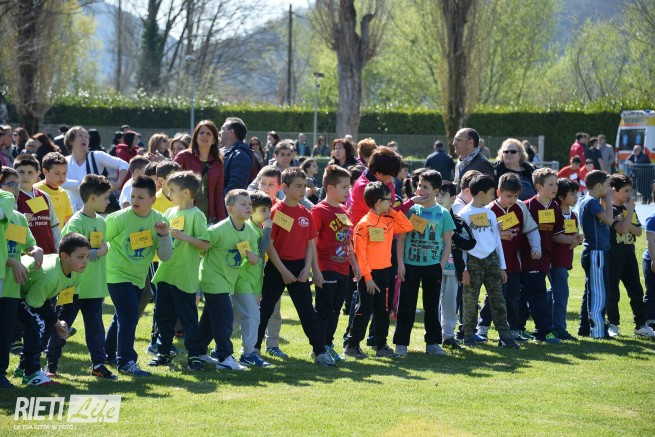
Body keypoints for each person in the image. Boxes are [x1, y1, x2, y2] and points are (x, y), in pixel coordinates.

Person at [255, 167, 335, 366]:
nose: (302, 190)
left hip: (300, 269)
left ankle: (320, 352)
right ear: (284, 187)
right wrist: (283, 270)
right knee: (265, 309)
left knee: (307, 311)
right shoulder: (275, 212)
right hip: (277, 267)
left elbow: (310, 244)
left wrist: (308, 268)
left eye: (304, 186)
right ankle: (253, 349)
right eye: (298, 186)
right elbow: (270, 245)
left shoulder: (306, 213)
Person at [44, 174, 117, 380]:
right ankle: (51, 365)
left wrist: (102, 249)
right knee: (62, 326)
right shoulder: (76, 222)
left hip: (94, 287)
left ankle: (98, 365)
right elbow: (69, 251)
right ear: (92, 198)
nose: (109, 201)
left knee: (95, 328)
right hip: (73, 287)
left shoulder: (101, 222)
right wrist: (98, 252)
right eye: (105, 197)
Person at [104, 176, 172, 376]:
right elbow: (100, 242)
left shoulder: (160, 221)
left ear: (152, 200)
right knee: (129, 316)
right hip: (116, 274)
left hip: (138, 277)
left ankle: (106, 353)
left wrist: (164, 235)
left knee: (122, 316)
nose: (135, 201)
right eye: (133, 196)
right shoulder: (118, 218)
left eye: (141, 197)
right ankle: (126, 362)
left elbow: (165, 256)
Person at [345, 181, 414, 359]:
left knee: (383, 310)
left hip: (386, 273)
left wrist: (392, 212)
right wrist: (367, 278)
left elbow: (407, 226)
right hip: (369, 274)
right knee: (364, 309)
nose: (391, 203)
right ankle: (352, 344)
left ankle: (380, 344)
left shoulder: (387, 220)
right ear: (378, 202)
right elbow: (360, 254)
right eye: (388, 200)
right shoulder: (363, 225)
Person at [149, 171, 210, 371]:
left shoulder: (197, 215)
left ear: (185, 192)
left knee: (188, 319)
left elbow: (205, 244)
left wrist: (184, 237)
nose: (169, 194)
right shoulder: (169, 212)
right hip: (166, 273)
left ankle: (194, 356)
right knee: (163, 316)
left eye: (172, 190)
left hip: (185, 276)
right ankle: (163, 353)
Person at [15, 233, 90, 386]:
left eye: (87, 256)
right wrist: (56, 322)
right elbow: (35, 303)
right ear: (64, 256)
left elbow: (67, 298)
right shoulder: (49, 275)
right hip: (16, 293)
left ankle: (23, 368)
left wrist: (61, 322)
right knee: (39, 326)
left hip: (35, 296)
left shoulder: (76, 272)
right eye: (80, 257)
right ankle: (31, 373)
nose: (85, 261)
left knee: (45, 325)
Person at [393, 170, 454, 356]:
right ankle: (401, 344)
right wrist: (401, 263)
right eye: (418, 185)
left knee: (432, 307)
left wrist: (440, 265)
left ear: (436, 191)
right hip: (410, 266)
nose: (419, 189)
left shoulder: (443, 214)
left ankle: (433, 343)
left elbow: (447, 243)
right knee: (406, 306)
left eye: (425, 187)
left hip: (432, 267)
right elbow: (402, 239)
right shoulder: (411, 210)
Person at [458, 175, 520, 349]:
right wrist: (464, 269)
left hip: (492, 260)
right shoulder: (463, 215)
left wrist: (502, 266)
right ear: (481, 193)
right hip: (472, 261)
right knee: (470, 299)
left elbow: (497, 241)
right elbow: (461, 246)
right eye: (492, 193)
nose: (493, 197)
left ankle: (504, 335)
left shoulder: (490, 213)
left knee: (498, 298)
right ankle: (468, 334)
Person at [477, 173, 541, 342]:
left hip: (513, 263)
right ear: (498, 192)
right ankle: (482, 328)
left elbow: (531, 229)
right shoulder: (488, 210)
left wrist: (536, 247)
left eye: (516, 196)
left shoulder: (520, 207)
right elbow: (480, 236)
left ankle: (513, 330)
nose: (512, 200)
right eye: (509, 196)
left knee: (513, 298)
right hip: (493, 263)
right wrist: (498, 234)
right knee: (494, 296)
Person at [0, 167, 44, 389]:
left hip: (11, 286)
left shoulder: (18, 218)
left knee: (6, 329)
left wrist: (36, 250)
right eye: (11, 185)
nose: (16, 190)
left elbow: (27, 244)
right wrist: (12, 262)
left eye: (17, 185)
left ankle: (1, 373)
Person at [310, 165, 359, 362]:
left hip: (343, 269)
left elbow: (347, 240)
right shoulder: (318, 210)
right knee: (324, 310)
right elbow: (311, 242)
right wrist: (315, 270)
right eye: (344, 187)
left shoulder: (344, 210)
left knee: (336, 310)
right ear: (330, 188)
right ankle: (319, 348)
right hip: (326, 267)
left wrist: (354, 264)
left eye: (349, 187)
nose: (348, 191)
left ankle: (328, 344)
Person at [520, 168, 572, 343]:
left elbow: (556, 234)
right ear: (538, 187)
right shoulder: (527, 206)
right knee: (537, 296)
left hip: (546, 259)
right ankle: (542, 332)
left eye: (556, 183)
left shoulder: (555, 206)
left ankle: (520, 329)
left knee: (532, 296)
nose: (555, 187)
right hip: (529, 259)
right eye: (550, 184)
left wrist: (572, 239)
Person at [606, 174, 655, 338]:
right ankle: (612, 324)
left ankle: (640, 325)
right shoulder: (610, 209)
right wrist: (628, 219)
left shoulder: (629, 209)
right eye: (626, 191)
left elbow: (638, 231)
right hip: (613, 255)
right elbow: (621, 229)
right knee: (612, 291)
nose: (629, 194)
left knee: (636, 290)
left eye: (630, 191)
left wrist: (627, 219)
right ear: (614, 191)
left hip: (629, 254)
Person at [233, 191, 273, 368]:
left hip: (254, 281)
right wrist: (268, 230)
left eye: (269, 210)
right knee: (252, 316)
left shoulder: (257, 228)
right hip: (243, 280)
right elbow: (262, 250)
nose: (268, 214)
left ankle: (219, 349)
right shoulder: (249, 229)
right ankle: (248, 353)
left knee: (235, 319)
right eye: (263, 210)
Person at [437, 181, 475, 349]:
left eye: (443, 195)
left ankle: (448, 335)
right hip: (433, 268)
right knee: (433, 302)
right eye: (437, 194)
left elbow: (470, 243)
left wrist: (454, 235)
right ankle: (433, 335)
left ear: (453, 198)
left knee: (450, 304)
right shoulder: (429, 217)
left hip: (453, 270)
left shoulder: (458, 222)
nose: (438, 198)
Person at [577, 170, 613, 339]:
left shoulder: (587, 200)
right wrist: (609, 201)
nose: (609, 189)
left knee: (590, 290)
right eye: (608, 185)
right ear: (598, 186)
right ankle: (598, 330)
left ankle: (584, 327)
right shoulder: (592, 202)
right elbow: (609, 220)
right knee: (599, 292)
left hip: (592, 251)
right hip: (596, 252)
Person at [62, 126, 128, 212]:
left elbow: (124, 164)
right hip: (72, 211)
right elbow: (62, 182)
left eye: (86, 136)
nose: (84, 138)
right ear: (70, 141)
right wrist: (90, 185)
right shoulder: (65, 161)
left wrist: (118, 183)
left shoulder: (97, 156)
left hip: (97, 212)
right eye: (80, 135)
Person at [549, 178, 583, 340]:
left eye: (577, 193)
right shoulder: (554, 213)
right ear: (561, 197)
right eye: (572, 194)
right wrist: (571, 240)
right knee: (561, 294)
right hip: (554, 261)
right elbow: (554, 237)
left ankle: (550, 324)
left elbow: (572, 241)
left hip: (564, 261)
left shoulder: (573, 215)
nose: (576, 197)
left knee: (553, 293)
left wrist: (576, 240)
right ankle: (559, 328)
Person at [174, 120, 226, 224]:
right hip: (184, 216)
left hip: (208, 218)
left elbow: (218, 194)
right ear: (196, 137)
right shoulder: (183, 157)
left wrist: (222, 222)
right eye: (201, 133)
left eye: (209, 133)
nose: (205, 136)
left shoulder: (218, 162)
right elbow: (172, 186)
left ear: (214, 140)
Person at [15, 154, 60, 255]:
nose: (25, 176)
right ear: (14, 173)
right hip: (25, 256)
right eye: (21, 172)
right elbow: (9, 231)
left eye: (30, 173)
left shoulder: (44, 196)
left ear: (37, 175)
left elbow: (54, 225)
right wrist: (21, 220)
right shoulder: (12, 198)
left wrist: (59, 249)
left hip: (49, 253)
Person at [34, 152, 73, 229]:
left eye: (64, 173)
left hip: (58, 236)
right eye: (57, 173)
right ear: (45, 172)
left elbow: (69, 220)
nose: (61, 177)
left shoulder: (63, 193)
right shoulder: (36, 190)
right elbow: (37, 219)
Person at [452, 128, 494, 193]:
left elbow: (488, 193)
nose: (454, 143)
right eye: (454, 139)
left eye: (458, 140)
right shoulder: (460, 162)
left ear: (470, 142)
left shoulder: (482, 164)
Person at [220, 117, 253, 196]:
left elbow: (235, 188)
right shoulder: (223, 152)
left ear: (231, 132)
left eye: (223, 129)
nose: (219, 132)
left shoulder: (240, 155)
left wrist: (219, 201)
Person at [642, 181, 655, 329]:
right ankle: (650, 320)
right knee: (652, 290)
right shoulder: (653, 218)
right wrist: (654, 260)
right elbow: (650, 241)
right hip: (652, 258)